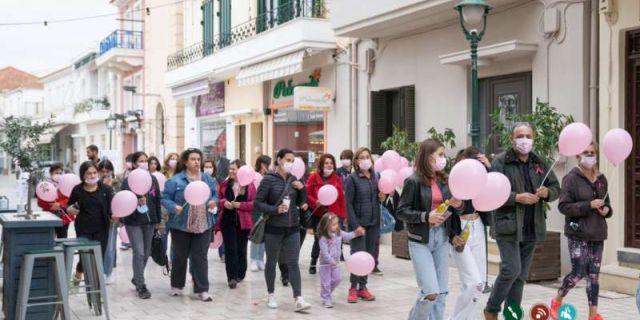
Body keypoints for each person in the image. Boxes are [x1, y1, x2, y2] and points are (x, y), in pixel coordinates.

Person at [484, 122, 560, 320]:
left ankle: (511, 314)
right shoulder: (501, 161)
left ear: (533, 138)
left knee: (520, 276)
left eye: (528, 135)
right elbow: (492, 191)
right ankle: (491, 308)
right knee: (512, 269)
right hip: (507, 224)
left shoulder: (539, 161)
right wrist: (516, 197)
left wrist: (547, 192)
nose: (524, 140)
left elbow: (555, 187)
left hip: (532, 226)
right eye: (520, 136)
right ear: (512, 139)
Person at [397, 139, 464, 319]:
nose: (444, 159)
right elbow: (401, 211)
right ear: (428, 156)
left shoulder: (445, 180)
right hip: (420, 240)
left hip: (441, 238)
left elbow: (448, 212)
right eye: (440, 155)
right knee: (430, 292)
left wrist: (455, 206)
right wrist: (426, 216)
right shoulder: (413, 181)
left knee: (441, 293)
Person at [550, 142, 611, 320]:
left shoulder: (602, 179)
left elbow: (607, 204)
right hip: (578, 233)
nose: (590, 156)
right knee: (578, 272)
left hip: (598, 232)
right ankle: (557, 300)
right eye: (586, 153)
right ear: (578, 156)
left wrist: (606, 210)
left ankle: (593, 314)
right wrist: (588, 205)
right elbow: (563, 206)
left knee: (594, 276)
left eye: (593, 153)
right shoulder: (571, 178)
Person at [253, 148, 311, 312]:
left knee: (293, 263)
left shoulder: (294, 179)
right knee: (271, 262)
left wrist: (302, 189)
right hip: (274, 228)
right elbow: (258, 203)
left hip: (293, 228)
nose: (290, 163)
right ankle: (271, 294)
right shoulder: (268, 180)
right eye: (287, 159)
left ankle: (298, 298)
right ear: (278, 160)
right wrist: (274, 210)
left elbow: (302, 203)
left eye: (292, 160)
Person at [162, 148, 218, 302]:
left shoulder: (207, 179)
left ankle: (202, 290)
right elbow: (165, 198)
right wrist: (174, 207)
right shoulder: (175, 180)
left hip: (203, 223)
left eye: (198, 159)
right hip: (181, 224)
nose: (197, 162)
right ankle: (177, 285)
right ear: (186, 162)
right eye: (193, 159)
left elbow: (214, 193)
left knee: (200, 257)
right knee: (180, 256)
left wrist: (213, 200)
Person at [450, 147, 493, 320]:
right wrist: (452, 235)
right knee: (471, 282)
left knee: (479, 283)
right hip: (460, 229)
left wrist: (489, 168)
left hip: (478, 225)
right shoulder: (453, 182)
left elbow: (494, 189)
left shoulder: (481, 180)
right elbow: (448, 213)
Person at [66, 161, 118, 287]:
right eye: (89, 173)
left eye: (95, 172)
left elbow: (113, 208)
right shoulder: (77, 190)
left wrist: (115, 216)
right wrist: (69, 209)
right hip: (83, 229)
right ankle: (78, 275)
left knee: (97, 259)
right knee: (85, 257)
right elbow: (68, 205)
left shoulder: (105, 189)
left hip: (102, 229)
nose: (92, 175)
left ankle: (96, 290)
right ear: (83, 175)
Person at [344, 147, 385, 303]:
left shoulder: (375, 177)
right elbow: (348, 204)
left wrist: (382, 197)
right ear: (356, 161)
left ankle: (363, 288)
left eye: (367, 156)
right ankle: (353, 288)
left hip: (373, 223)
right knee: (357, 256)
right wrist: (355, 226)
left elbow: (378, 199)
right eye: (361, 157)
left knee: (368, 257)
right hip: (359, 225)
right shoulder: (352, 179)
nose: (365, 159)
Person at [121, 152, 162, 299]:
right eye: (140, 161)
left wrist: (158, 220)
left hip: (149, 221)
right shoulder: (127, 181)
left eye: (145, 161)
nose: (143, 163)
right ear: (134, 164)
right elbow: (123, 200)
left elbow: (157, 200)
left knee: (146, 253)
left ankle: (136, 277)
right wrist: (136, 200)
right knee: (138, 252)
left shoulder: (152, 179)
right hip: (133, 221)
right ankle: (141, 285)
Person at [215, 159, 256, 289]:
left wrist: (241, 205)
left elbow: (255, 203)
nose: (231, 171)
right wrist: (223, 203)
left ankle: (240, 272)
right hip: (228, 220)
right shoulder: (224, 184)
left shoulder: (250, 186)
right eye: (230, 169)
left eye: (234, 169)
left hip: (243, 222)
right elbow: (218, 198)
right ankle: (231, 277)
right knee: (230, 248)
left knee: (241, 248)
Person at [306, 153, 346, 275]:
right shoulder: (313, 177)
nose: (329, 165)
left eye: (331, 163)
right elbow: (307, 194)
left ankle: (331, 264)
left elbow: (340, 198)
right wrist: (315, 202)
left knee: (333, 241)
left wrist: (343, 216)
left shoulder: (337, 179)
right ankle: (313, 261)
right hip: (318, 214)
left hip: (333, 215)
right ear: (322, 165)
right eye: (326, 163)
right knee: (319, 239)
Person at [317, 212, 364, 308]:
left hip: (336, 263)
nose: (336, 226)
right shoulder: (323, 238)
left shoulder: (339, 233)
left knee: (337, 279)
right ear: (326, 226)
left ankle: (326, 293)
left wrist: (356, 233)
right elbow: (324, 253)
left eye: (337, 223)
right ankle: (326, 298)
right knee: (326, 282)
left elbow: (347, 236)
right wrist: (330, 260)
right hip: (325, 264)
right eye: (333, 224)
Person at [37, 162, 72, 238]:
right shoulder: (45, 185)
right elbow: (40, 202)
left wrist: (60, 205)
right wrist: (51, 205)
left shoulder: (66, 183)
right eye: (56, 173)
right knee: (49, 238)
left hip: (63, 216)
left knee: (62, 237)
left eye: (60, 173)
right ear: (51, 173)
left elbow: (69, 199)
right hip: (49, 216)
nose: (58, 175)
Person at [250, 155, 272, 272]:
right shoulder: (256, 176)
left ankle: (260, 259)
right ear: (263, 165)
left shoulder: (268, 176)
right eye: (269, 164)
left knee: (264, 234)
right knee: (256, 234)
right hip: (257, 208)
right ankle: (253, 259)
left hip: (266, 208)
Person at [203, 159, 224, 262]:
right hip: (206, 211)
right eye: (206, 167)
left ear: (214, 169)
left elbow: (220, 194)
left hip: (218, 210)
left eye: (210, 167)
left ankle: (223, 253)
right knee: (206, 234)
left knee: (220, 231)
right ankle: (203, 252)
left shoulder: (218, 180)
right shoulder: (200, 180)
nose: (208, 169)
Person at [120, 153, 134, 251]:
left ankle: (132, 242)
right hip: (124, 200)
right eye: (127, 161)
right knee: (124, 222)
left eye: (130, 161)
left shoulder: (137, 173)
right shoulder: (123, 174)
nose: (128, 163)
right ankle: (125, 241)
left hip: (134, 200)